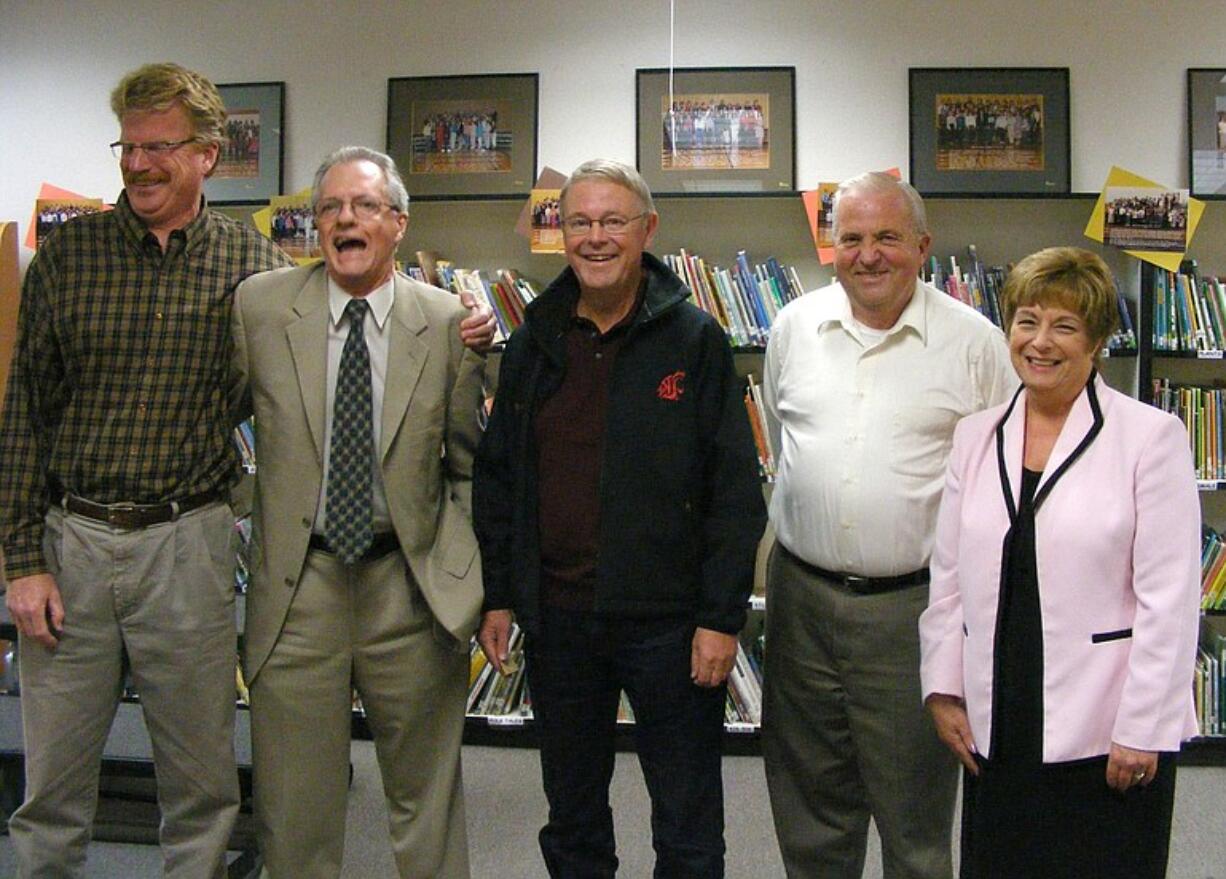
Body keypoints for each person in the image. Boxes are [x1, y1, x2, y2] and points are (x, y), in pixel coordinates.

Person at [0, 62, 295, 878]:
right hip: (73, 544)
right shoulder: (69, 259)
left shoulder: (255, 265)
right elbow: (24, 414)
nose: (137, 165)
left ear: (207, 153)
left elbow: (293, 395)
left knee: (200, 786)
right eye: (127, 146)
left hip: (189, 545)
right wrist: (22, 562)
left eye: (159, 147)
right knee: (52, 789)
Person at [473, 158, 766, 878]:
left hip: (672, 627)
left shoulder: (693, 338)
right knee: (572, 819)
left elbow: (734, 489)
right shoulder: (534, 337)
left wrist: (721, 616)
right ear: (560, 232)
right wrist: (500, 593)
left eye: (613, 221)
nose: (595, 238)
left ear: (647, 231)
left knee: (688, 822)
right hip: (559, 621)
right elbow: (500, 475)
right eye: (579, 221)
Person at [231, 146, 486, 878]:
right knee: (294, 808)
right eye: (331, 207)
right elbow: (210, 415)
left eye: (365, 206)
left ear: (398, 224)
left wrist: (464, 580)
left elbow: (467, 465)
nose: (345, 219)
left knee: (425, 804)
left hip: (407, 587)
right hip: (296, 589)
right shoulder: (261, 306)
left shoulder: (446, 323)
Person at [760, 171, 1016, 878]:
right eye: (852, 238)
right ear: (831, 245)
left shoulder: (976, 344)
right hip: (801, 601)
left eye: (887, 238)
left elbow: (1000, 491)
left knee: (915, 820)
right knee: (811, 811)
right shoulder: (793, 327)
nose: (868, 254)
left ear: (923, 246)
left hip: (915, 611)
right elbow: (785, 444)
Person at [919, 247, 1201, 879]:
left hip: (1106, 724)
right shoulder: (977, 435)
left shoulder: (1149, 438)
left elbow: (1171, 598)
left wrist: (1144, 725)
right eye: (1026, 320)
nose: (1040, 342)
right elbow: (949, 578)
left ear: (1097, 340)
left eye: (1064, 326)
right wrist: (943, 688)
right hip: (1001, 713)